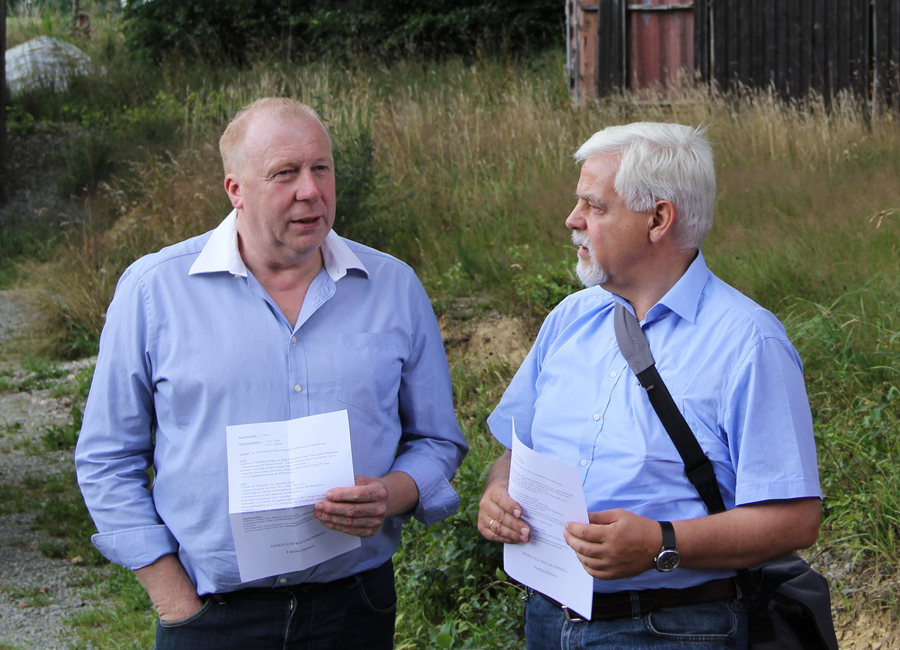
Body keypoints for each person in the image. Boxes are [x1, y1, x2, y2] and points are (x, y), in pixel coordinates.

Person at [75, 97, 468, 649]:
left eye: (321, 168)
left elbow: (437, 440)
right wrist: (172, 598)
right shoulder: (154, 291)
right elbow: (106, 458)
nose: (310, 190)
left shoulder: (394, 287)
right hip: (212, 618)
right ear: (235, 190)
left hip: (355, 610)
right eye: (285, 173)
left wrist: (391, 492)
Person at [477, 122, 821, 649]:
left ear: (658, 219)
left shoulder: (750, 343)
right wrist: (499, 491)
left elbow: (795, 520)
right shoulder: (569, 318)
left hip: (674, 628)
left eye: (594, 206)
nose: (573, 220)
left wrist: (661, 543)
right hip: (547, 619)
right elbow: (515, 451)